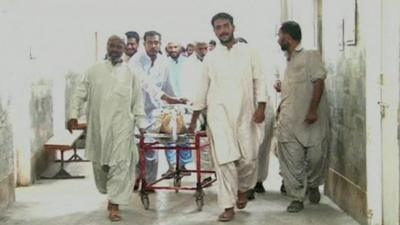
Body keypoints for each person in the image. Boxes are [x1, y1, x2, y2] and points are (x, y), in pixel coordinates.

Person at [188, 12, 266, 222]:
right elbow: (202, 89)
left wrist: (262, 106)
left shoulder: (250, 52)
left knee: (248, 159)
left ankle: (243, 188)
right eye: (218, 27)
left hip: (246, 114)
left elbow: (260, 80)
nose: (222, 30)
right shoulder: (210, 58)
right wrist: (194, 119)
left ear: (233, 27)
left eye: (225, 26)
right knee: (224, 161)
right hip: (218, 116)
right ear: (214, 31)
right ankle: (227, 205)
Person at [67, 35, 145, 222]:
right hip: (99, 126)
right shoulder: (93, 70)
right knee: (100, 166)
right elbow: (79, 92)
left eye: (119, 46)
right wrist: (73, 115)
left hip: (122, 127)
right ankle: (109, 193)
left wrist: (141, 125)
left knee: (120, 164)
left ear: (124, 49)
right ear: (107, 47)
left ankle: (115, 204)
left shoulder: (131, 73)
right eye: (112, 45)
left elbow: (137, 100)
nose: (115, 49)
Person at [275, 21, 329, 213]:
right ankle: (297, 197)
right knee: (292, 161)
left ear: (288, 37)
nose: (278, 39)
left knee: (316, 157)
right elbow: (295, 88)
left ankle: (313, 184)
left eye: (279, 35)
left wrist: (313, 109)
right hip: (289, 120)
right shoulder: (287, 59)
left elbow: (318, 81)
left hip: (310, 119)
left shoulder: (310, 54)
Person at [130, 30, 177, 186]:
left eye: (156, 42)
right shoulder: (136, 60)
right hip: (135, 110)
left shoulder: (164, 62)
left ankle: (149, 182)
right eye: (150, 42)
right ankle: (136, 178)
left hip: (154, 111)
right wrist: (164, 96)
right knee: (136, 147)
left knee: (151, 148)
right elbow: (144, 82)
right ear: (144, 44)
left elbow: (168, 85)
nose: (153, 45)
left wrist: (175, 102)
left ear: (160, 44)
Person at [162, 41, 193, 178]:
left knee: (184, 136)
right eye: (170, 47)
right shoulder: (163, 63)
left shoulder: (188, 63)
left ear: (181, 48)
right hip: (168, 104)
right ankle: (172, 166)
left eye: (175, 47)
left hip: (186, 104)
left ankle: (183, 165)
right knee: (168, 136)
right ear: (166, 49)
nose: (173, 49)